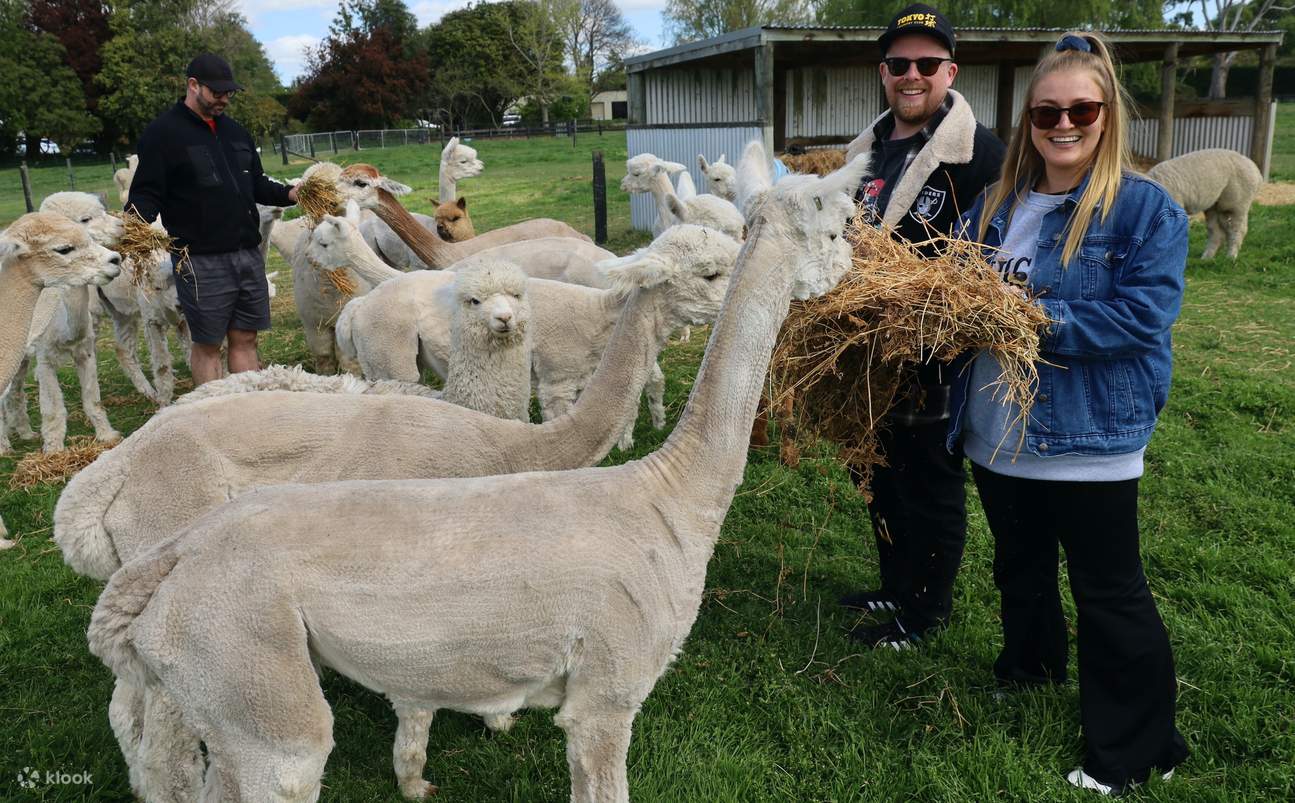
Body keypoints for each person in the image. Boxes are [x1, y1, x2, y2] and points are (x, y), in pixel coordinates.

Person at [951, 32, 1189, 795]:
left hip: (1085, 436)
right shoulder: (997, 204)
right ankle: (1029, 670)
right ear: (1026, 119)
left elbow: (1140, 317)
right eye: (1045, 111)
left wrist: (1028, 317)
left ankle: (1136, 749)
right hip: (996, 431)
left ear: (1106, 115)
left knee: (1107, 589)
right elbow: (952, 282)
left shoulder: (1144, 210)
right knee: (1018, 566)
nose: (1061, 124)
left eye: (1080, 110)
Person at [837, 3, 1005, 649]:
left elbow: (991, 253)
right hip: (865, 346)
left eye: (927, 64)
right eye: (899, 63)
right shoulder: (869, 150)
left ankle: (924, 609)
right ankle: (895, 582)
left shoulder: (980, 154)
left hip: (934, 352)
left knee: (926, 476)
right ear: (883, 72)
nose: (912, 75)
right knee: (875, 470)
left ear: (949, 72)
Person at [127, 53, 298, 386]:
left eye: (228, 92)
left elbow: (256, 184)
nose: (224, 99)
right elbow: (147, 192)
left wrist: (290, 194)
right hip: (200, 260)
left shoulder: (236, 132)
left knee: (246, 337)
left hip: (247, 254)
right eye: (217, 92)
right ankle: (211, 411)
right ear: (193, 85)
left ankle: (247, 407)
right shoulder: (163, 134)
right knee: (207, 344)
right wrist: (132, 228)